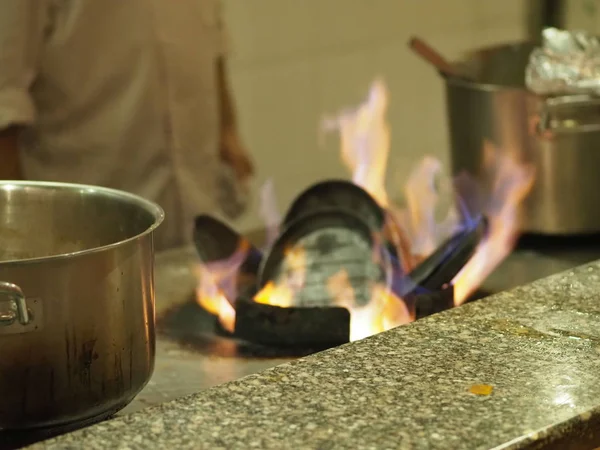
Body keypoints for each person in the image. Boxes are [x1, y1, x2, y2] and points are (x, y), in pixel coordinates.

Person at [0, 0, 254, 250]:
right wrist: (24, 244)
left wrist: (227, 130)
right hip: (89, 241)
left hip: (192, 230)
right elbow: (5, 103)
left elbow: (214, 40)